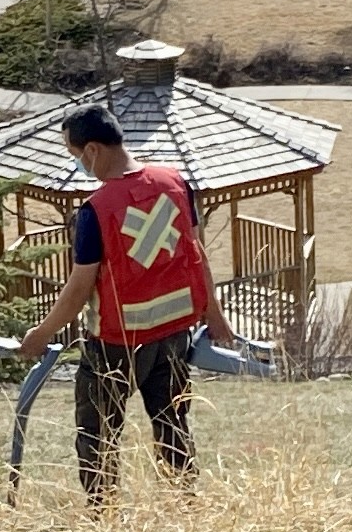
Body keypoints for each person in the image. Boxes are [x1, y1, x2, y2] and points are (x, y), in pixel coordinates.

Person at [16, 101, 233, 504]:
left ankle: (104, 511)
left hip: (115, 343)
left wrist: (42, 333)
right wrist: (214, 316)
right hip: (174, 334)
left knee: (97, 432)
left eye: (75, 154)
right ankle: (185, 501)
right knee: (172, 422)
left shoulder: (96, 211)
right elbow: (197, 253)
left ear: (92, 150)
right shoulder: (175, 183)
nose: (79, 164)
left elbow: (80, 287)